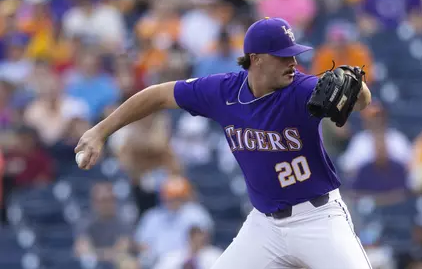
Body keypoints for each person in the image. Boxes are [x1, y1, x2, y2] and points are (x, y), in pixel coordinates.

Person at [75, 17, 372, 269]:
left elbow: (360, 102)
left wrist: (358, 89)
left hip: (317, 218)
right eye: (283, 55)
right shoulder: (223, 90)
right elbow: (158, 94)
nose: (293, 62)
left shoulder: (302, 89)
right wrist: (101, 131)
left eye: (293, 54)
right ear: (256, 59)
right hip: (265, 226)